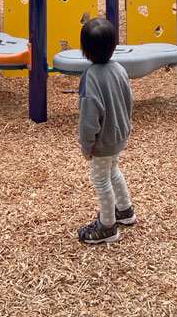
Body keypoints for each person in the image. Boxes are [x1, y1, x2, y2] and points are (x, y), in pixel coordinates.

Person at [77, 17, 136, 244]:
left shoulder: (90, 78)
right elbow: (128, 100)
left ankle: (108, 226)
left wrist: (87, 145)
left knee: (101, 180)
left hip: (102, 142)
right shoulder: (120, 69)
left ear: (85, 50)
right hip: (118, 135)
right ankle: (125, 210)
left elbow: (89, 118)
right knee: (113, 172)